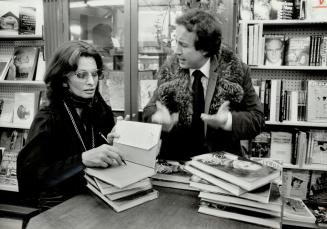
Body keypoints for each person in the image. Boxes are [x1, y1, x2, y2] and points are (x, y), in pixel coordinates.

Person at [143, 9, 265, 161]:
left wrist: (227, 120)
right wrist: (157, 118)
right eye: (176, 42)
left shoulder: (237, 70)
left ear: (205, 49)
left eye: (184, 45)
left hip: (221, 167)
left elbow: (257, 120)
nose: (177, 51)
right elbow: (149, 109)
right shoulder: (169, 70)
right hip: (177, 165)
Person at [17, 40, 125, 210]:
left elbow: (100, 151)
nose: (91, 82)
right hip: (59, 207)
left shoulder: (99, 108)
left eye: (95, 74)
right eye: (82, 75)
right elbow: (29, 178)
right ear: (63, 80)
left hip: (97, 199)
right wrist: (82, 159)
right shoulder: (48, 118)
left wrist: (111, 145)